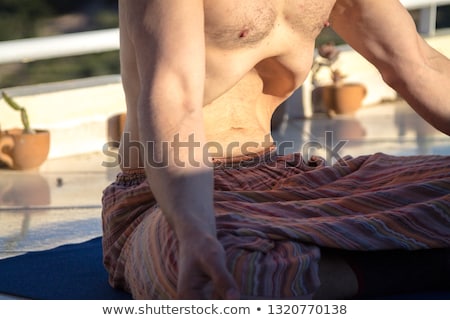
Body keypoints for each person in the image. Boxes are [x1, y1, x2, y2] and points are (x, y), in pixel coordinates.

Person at [102, 0, 450, 299]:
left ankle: (315, 269)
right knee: (221, 269)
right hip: (166, 197)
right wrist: (194, 229)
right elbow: (174, 98)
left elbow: (417, 63)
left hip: (282, 178)